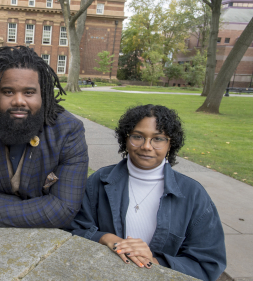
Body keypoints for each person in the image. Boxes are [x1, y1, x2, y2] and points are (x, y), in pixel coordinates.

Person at [64, 104, 226, 281]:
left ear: (170, 143)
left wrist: (155, 263)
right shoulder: (98, 181)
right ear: (125, 139)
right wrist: (106, 238)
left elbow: (208, 263)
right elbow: (72, 229)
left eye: (158, 139)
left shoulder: (193, 194)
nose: (146, 146)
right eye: (137, 137)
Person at [0, 46, 89, 228]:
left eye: (29, 92)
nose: (19, 101)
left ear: (43, 94)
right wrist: (42, 207)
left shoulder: (69, 130)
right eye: (8, 92)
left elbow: (64, 207)